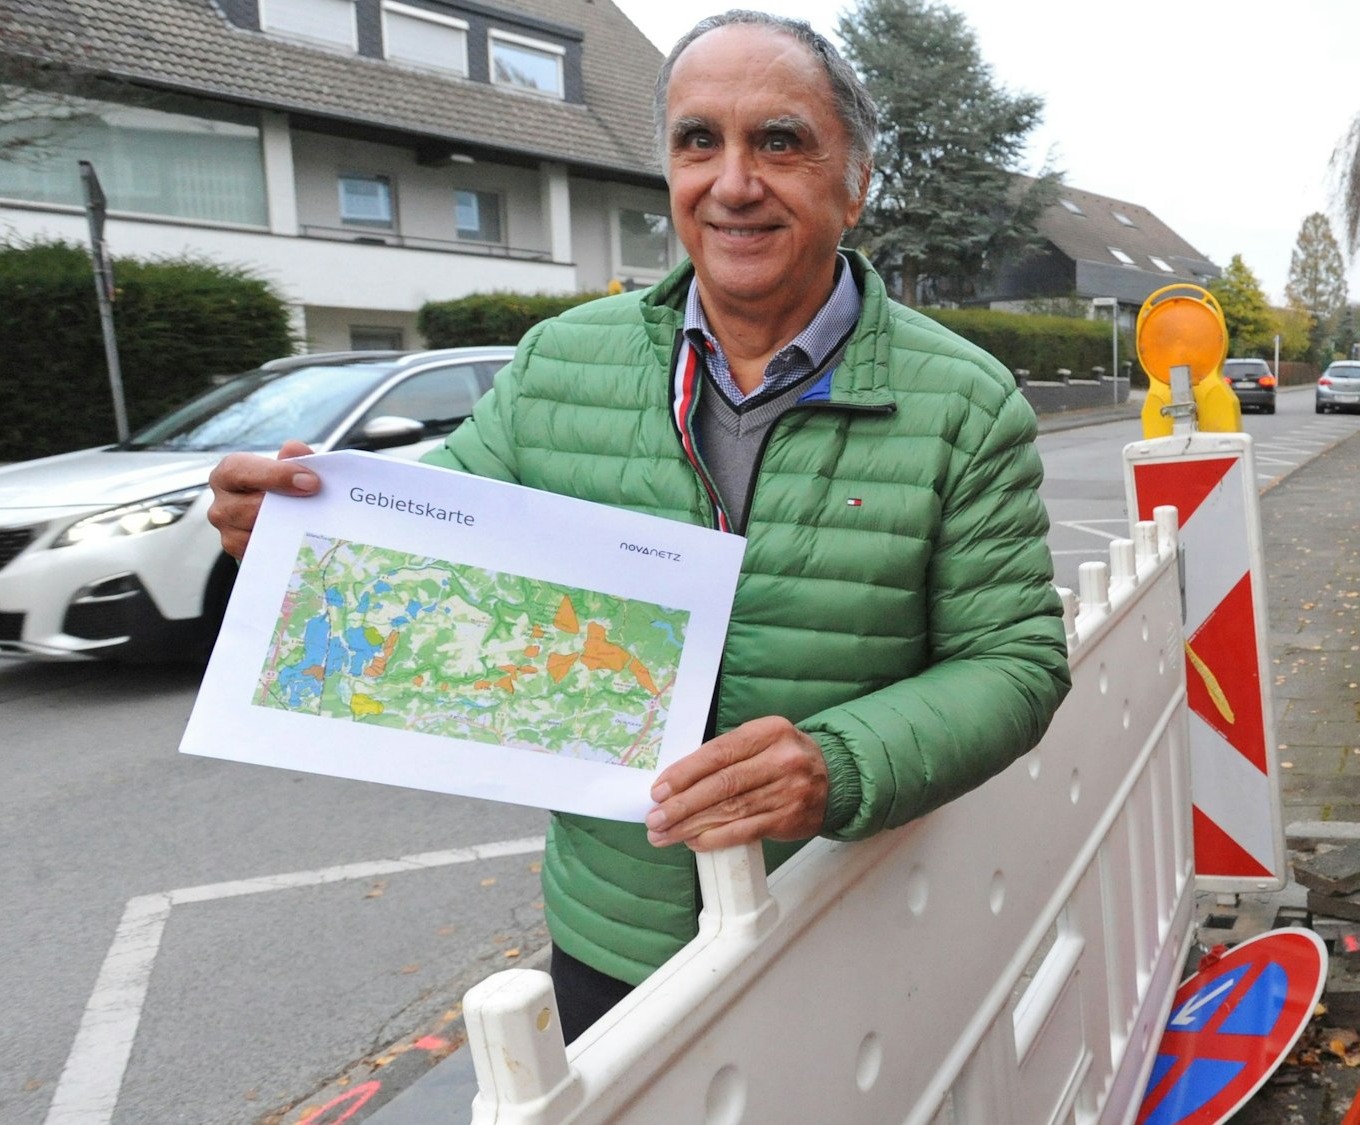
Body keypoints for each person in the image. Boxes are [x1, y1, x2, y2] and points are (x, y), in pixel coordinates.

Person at [205, 9, 1071, 1040]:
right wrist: (296, 531)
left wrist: (836, 766)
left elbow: (1015, 663)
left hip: (841, 918)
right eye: (698, 141)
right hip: (614, 939)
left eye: (779, 141)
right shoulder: (559, 361)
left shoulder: (962, 400)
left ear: (856, 178)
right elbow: (440, 539)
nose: (733, 181)